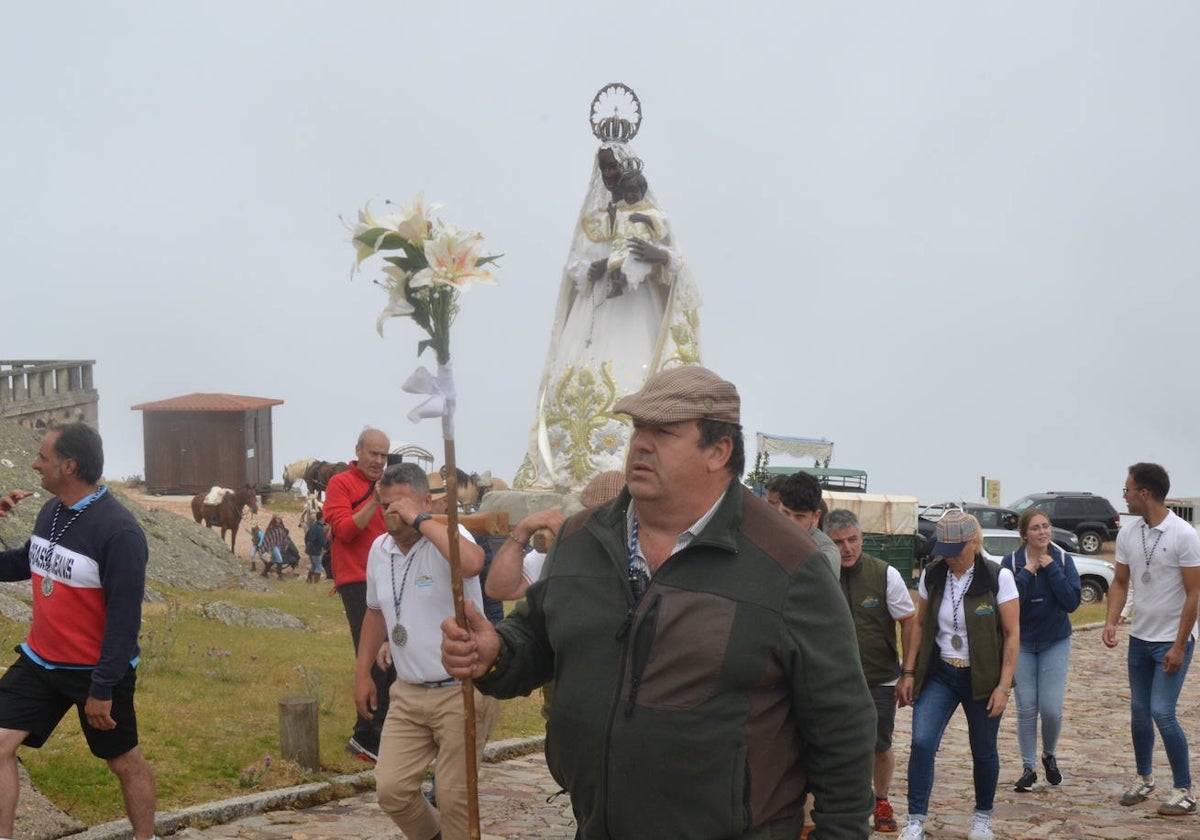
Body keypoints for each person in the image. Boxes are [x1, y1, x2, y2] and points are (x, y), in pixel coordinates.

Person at [444, 365, 876, 839]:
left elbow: (842, 724)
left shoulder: (788, 564)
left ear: (718, 451)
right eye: (637, 428)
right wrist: (496, 653)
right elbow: (536, 637)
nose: (641, 444)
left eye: (663, 432)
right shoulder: (581, 537)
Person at [513, 138, 703, 493]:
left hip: (635, 313)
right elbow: (574, 264)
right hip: (594, 313)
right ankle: (569, 468)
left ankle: (623, 468)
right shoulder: (592, 220)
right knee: (571, 385)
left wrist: (654, 256)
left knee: (630, 384)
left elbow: (679, 264)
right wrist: (597, 268)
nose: (610, 174)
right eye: (604, 168)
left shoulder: (651, 216)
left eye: (614, 167)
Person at [0, 424, 157, 840]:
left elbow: (125, 621)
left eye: (43, 458)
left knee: (124, 763)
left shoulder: (120, 533)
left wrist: (103, 688)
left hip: (97, 672)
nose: (34, 464)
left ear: (69, 466)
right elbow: (27, 561)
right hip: (40, 661)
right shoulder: (52, 510)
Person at [354, 463, 499, 840]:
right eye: (385, 504)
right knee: (392, 790)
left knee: (454, 798)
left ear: (426, 501)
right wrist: (362, 673)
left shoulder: (448, 536)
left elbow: (472, 562)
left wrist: (420, 520)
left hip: (459, 689)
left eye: (400, 504)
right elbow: (374, 612)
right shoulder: (379, 550)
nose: (391, 513)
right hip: (408, 690)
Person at [896, 511, 1019, 840]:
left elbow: (1011, 634)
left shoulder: (997, 578)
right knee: (921, 742)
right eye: (944, 551)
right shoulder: (933, 575)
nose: (948, 558)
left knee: (983, 748)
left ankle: (982, 816)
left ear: (975, 543)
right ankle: (915, 820)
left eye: (956, 551)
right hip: (941, 673)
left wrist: (1004, 686)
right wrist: (908, 671)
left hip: (983, 678)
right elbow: (919, 625)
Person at [1102, 462, 1200, 816]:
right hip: (1140, 639)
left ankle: (1184, 790)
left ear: (1144, 493)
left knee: (1162, 711)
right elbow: (1120, 582)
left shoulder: (1184, 535)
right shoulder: (1129, 534)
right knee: (1140, 712)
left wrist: (1178, 644)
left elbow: (1194, 594)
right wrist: (1111, 621)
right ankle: (1144, 778)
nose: (1124, 496)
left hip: (1171, 641)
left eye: (1127, 489)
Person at [825, 508, 917, 834]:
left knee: (880, 743)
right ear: (826, 541)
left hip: (879, 677)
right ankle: (842, 804)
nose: (847, 548)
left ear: (862, 538)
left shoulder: (885, 574)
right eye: (838, 542)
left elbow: (909, 621)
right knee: (833, 744)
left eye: (853, 540)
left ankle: (881, 799)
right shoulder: (819, 574)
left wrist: (908, 672)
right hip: (830, 678)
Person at [1000, 508, 1081, 792]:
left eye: (1046, 526)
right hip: (1021, 643)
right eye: (1035, 528)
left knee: (1050, 709)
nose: (1042, 532)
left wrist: (1051, 569)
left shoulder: (1062, 559)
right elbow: (1008, 603)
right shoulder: (1010, 563)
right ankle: (1028, 768)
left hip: (1054, 641)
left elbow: (1072, 601)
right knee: (1026, 708)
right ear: (1024, 534)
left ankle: (1049, 754)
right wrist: (1027, 572)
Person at [324, 427, 391, 763]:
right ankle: (366, 739)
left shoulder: (391, 484)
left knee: (395, 655)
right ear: (358, 452)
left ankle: (383, 735)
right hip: (357, 580)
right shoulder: (341, 483)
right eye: (373, 454)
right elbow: (346, 530)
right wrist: (376, 500)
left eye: (384, 455)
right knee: (374, 657)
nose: (379, 461)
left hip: (390, 578)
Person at [601, 168, 667, 299]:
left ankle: (623, 281)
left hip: (639, 246)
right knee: (614, 261)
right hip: (620, 246)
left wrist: (646, 219)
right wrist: (613, 218)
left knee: (632, 261)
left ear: (642, 191)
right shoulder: (620, 210)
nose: (630, 195)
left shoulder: (649, 211)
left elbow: (661, 228)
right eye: (626, 192)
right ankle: (616, 284)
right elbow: (609, 234)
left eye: (634, 191)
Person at [776, 471, 840, 577]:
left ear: (816, 516)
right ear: (778, 505)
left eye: (799, 517)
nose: (790, 523)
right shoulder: (765, 532)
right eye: (785, 513)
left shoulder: (826, 554)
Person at [304, 511, 326, 584]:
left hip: (309, 549)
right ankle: (316, 583)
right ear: (322, 518)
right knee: (318, 566)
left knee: (314, 565)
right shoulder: (319, 528)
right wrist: (327, 547)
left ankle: (309, 581)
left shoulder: (313, 526)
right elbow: (322, 541)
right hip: (315, 550)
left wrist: (307, 545)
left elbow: (306, 537)